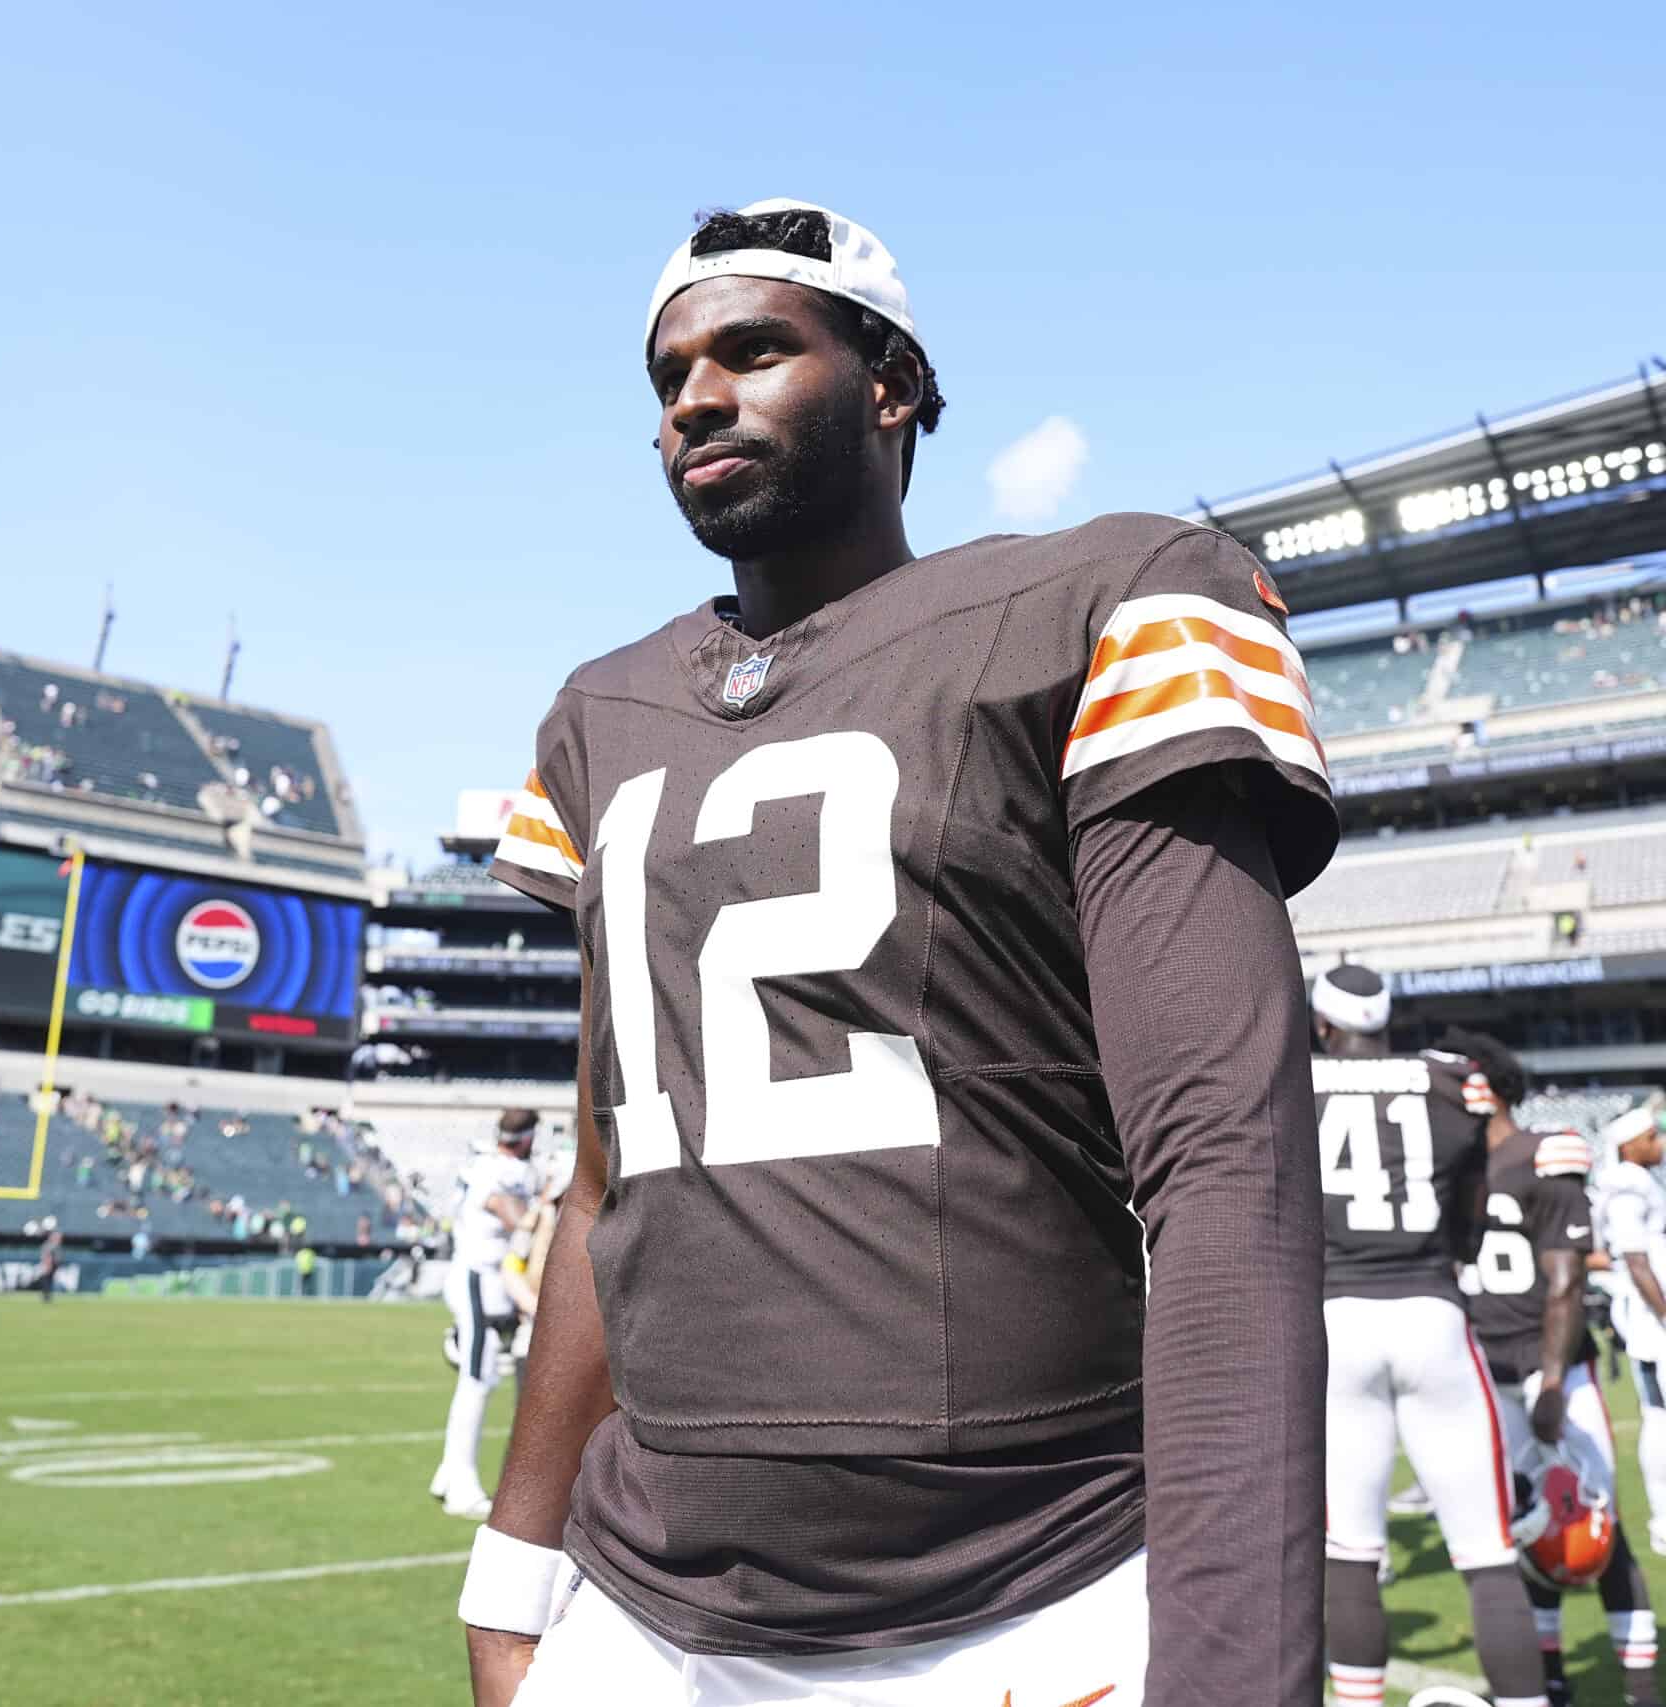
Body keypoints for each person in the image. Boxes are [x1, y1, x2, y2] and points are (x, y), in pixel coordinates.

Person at [470, 200, 1338, 1707]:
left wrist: (1235, 1665)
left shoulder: (1101, 600)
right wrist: (514, 1563)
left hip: (1025, 1595)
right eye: (669, 371)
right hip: (643, 1607)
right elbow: (614, 1173)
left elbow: (1222, 1159)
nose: (694, 396)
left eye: (752, 349)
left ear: (892, 385)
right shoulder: (601, 715)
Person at [1310, 970, 1549, 1707]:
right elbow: (1473, 1209)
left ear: (1322, 1025)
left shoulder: (1297, 1082)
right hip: (1432, 1312)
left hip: (1338, 1316)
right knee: (1487, 1553)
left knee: (1350, 1552)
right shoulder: (1450, 1080)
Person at [1451, 1028, 1658, 1706]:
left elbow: (1566, 1281)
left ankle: (1640, 1685)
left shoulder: (1546, 1152)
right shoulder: (1450, 1167)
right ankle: (1552, 1680)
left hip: (1553, 1371)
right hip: (1489, 1373)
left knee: (1597, 1528)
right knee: (1527, 1528)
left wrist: (1548, 1377)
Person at [433, 1110, 538, 1521]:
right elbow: (511, 1215)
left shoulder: (491, 1163)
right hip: (479, 1279)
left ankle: (447, 1472)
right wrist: (545, 1212)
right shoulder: (498, 1171)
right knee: (476, 1381)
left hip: (491, 1285)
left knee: (485, 1376)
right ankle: (460, 1483)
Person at [1599, 1105, 1666, 1569]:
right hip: (1651, 1326)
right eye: (1652, 1137)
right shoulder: (1627, 1185)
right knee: (1659, 1420)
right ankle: (1663, 1520)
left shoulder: (1644, 1181)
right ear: (1629, 1145)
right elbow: (1637, 1260)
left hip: (1654, 1319)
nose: (1659, 1143)